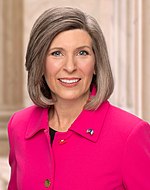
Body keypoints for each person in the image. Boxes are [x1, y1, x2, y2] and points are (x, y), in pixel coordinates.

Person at [7, 6, 150, 190]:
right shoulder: (19, 126)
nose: (70, 66)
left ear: (97, 63)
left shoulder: (130, 134)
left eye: (82, 53)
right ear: (40, 63)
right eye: (56, 53)